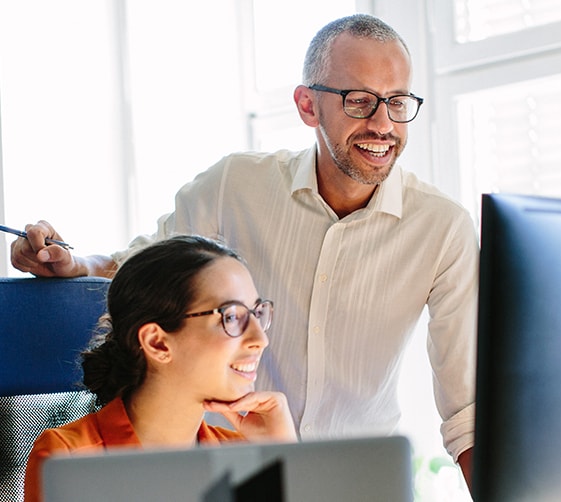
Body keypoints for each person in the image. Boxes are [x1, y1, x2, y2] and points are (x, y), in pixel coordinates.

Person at [12, 14, 478, 489]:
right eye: (360, 102)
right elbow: (152, 264)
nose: (383, 124)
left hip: (348, 481)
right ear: (307, 105)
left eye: (397, 102)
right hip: (236, 469)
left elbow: (468, 413)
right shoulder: (236, 184)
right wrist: (76, 265)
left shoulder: (444, 228)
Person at [23, 235, 297, 502]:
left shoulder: (242, 454)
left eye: (257, 314)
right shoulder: (69, 459)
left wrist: (284, 457)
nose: (261, 339)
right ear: (158, 343)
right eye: (232, 317)